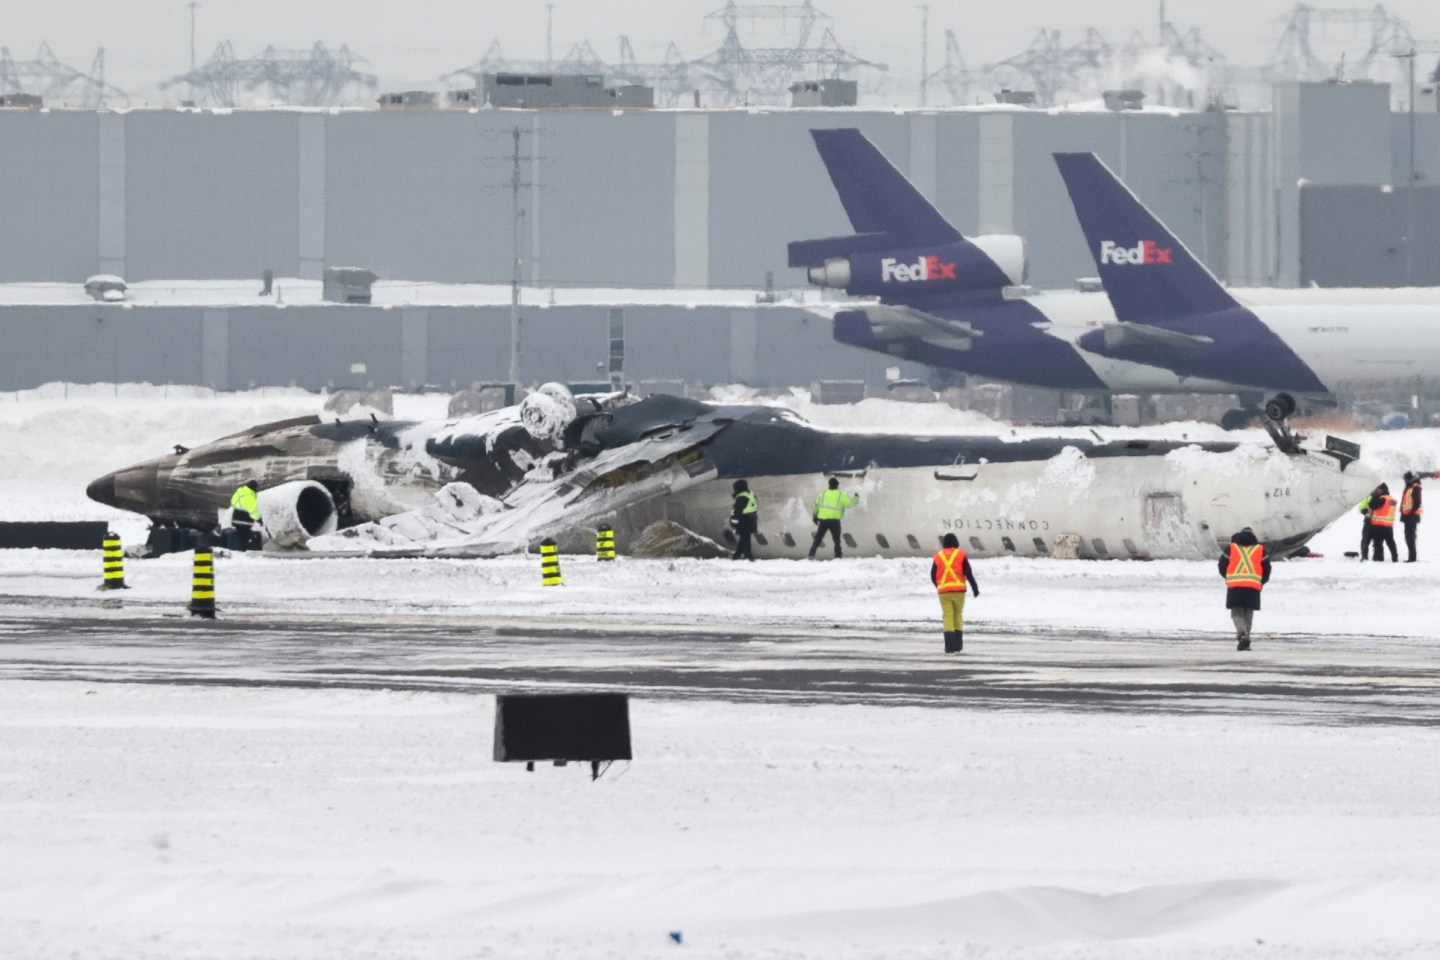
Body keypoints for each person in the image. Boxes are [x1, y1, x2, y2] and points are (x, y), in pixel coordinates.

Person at [1219, 527, 1271, 651]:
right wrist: (1260, 581)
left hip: (1235, 585)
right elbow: (1267, 568)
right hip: (1253, 586)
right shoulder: (1260, 549)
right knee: (1248, 614)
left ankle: (1242, 634)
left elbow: (1222, 565)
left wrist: (1228, 577)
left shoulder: (1231, 548)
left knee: (1236, 613)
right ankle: (1246, 640)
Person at [931, 533, 980, 653]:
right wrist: (975, 588)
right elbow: (968, 573)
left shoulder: (938, 556)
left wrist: (939, 586)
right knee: (958, 615)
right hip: (959, 592)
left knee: (948, 616)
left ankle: (949, 646)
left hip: (944, 593)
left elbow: (933, 575)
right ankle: (958, 645)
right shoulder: (960, 554)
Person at [808, 477, 859, 559]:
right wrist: (856, 498)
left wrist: (814, 516)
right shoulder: (840, 495)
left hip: (823, 521)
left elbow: (816, 505)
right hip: (834, 521)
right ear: (837, 485)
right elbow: (850, 504)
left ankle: (811, 555)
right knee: (837, 541)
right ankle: (838, 556)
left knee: (818, 539)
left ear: (829, 484)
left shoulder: (823, 494)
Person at [230, 478, 262, 550]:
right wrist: (259, 519)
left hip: (236, 517)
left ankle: (240, 548)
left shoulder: (240, 491)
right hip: (245, 520)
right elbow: (253, 511)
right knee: (245, 536)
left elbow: (232, 502)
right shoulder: (249, 495)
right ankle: (244, 550)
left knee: (241, 535)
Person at [729, 479, 758, 561]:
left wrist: (734, 520)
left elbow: (737, 509)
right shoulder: (750, 494)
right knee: (745, 537)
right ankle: (738, 554)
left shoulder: (742, 497)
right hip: (752, 519)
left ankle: (748, 555)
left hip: (744, 520)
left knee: (745, 538)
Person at [1369, 483, 1399, 562]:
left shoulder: (1382, 499)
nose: (1377, 491)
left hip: (1379, 525)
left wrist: (1374, 496)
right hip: (1389, 525)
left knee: (1378, 543)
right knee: (1391, 543)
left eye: (1378, 489)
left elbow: (1372, 505)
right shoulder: (1392, 499)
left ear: (1382, 490)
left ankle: (1378, 559)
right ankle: (1395, 557)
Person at [1401, 471, 1423, 562]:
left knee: (1410, 537)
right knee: (1408, 537)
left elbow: (1417, 502)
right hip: (1408, 516)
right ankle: (1411, 556)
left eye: (1405, 479)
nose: (1405, 481)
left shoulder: (1415, 487)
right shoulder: (1410, 487)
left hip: (1411, 517)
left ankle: (1412, 557)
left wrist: (1411, 512)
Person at [1358, 486, 1380, 561]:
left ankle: (1376, 557)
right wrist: (1365, 510)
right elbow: (1362, 507)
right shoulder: (1367, 497)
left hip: (1377, 521)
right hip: (1368, 520)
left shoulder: (1381, 497)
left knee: (1376, 540)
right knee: (1365, 539)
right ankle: (1364, 556)